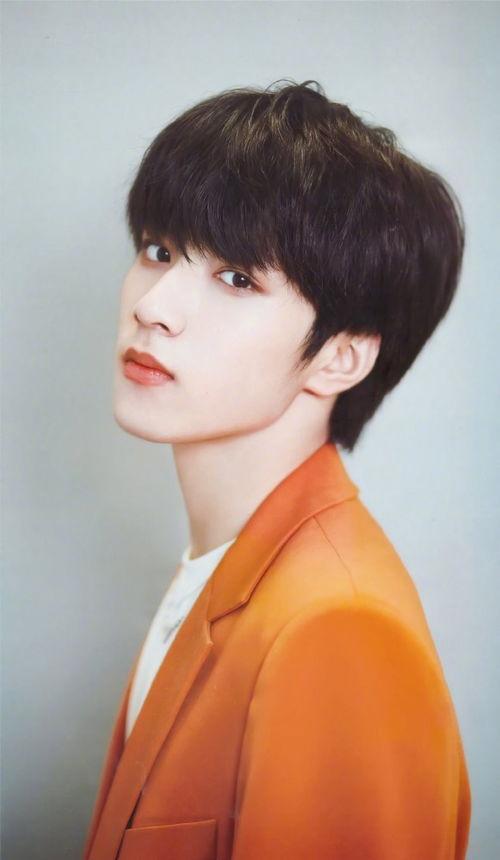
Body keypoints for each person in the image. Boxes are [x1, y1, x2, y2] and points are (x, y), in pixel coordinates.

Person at [83, 79, 471, 860]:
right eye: (159, 250)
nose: (155, 305)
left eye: (237, 278)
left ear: (340, 357)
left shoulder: (338, 627)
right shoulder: (227, 568)